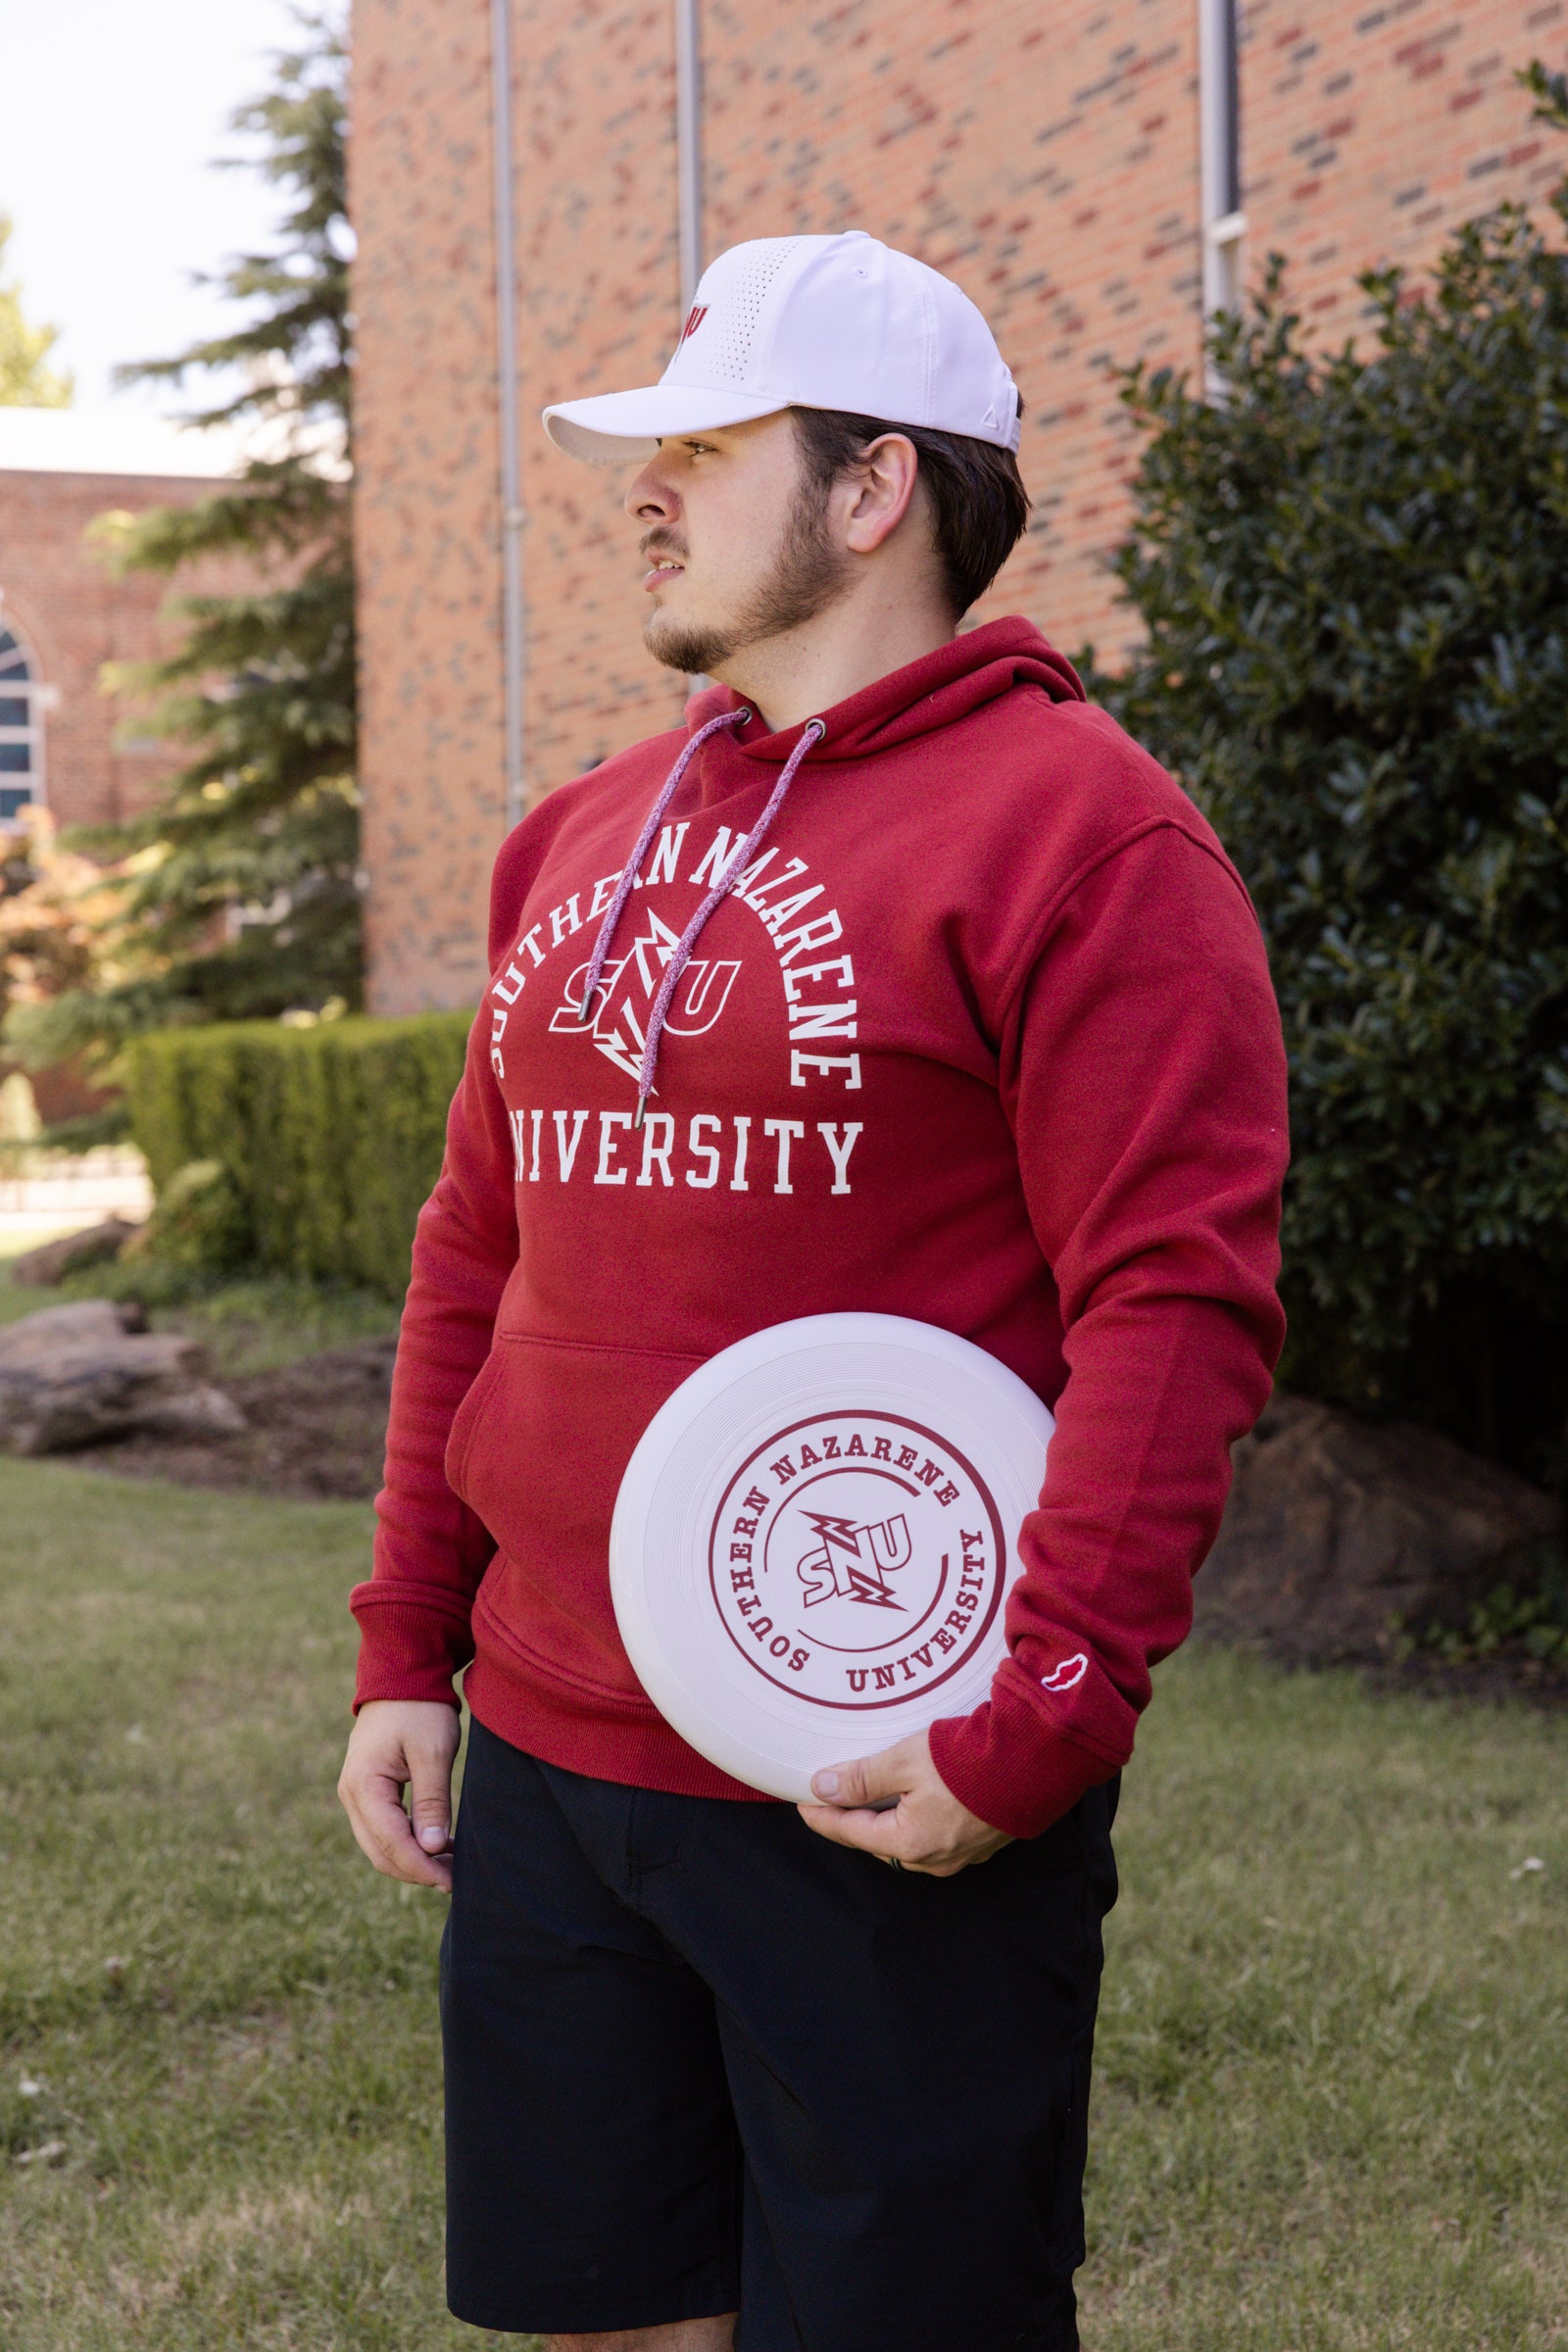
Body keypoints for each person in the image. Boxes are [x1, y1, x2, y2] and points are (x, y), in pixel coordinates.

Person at [338, 230, 1288, 2352]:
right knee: (604, 2319)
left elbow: (1173, 1306)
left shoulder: (1087, 842)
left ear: (874, 491)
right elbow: (481, 1251)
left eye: (707, 441)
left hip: (871, 1771)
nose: (643, 486)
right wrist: (413, 1638)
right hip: (556, 1755)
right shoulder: (573, 837)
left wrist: (1037, 1717)